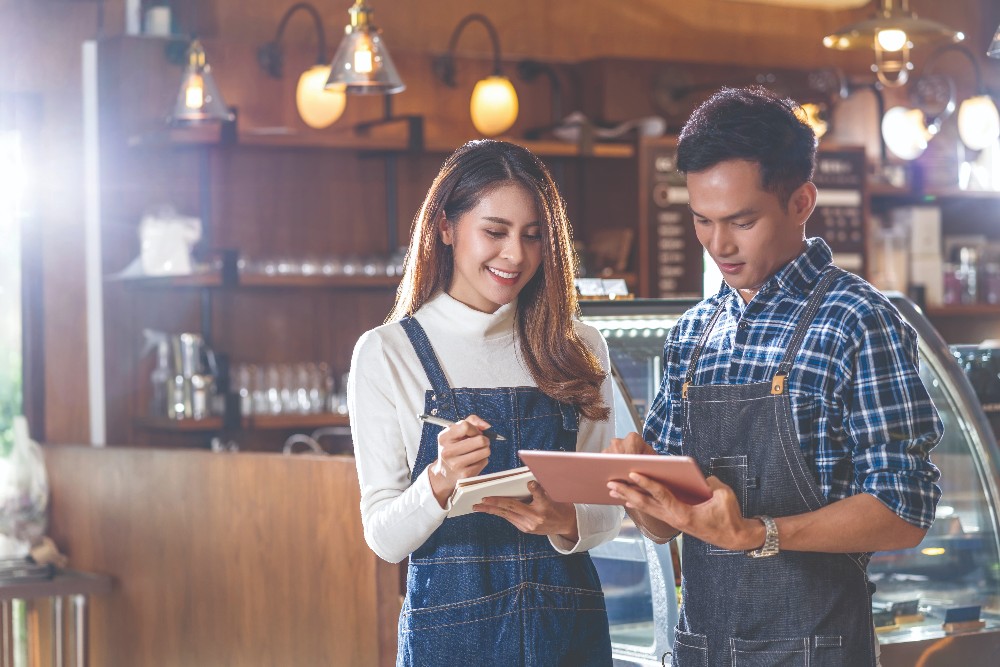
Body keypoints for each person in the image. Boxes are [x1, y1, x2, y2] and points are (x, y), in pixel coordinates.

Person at [606, 87, 943, 667]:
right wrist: (638, 490)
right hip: (702, 649)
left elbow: (904, 510)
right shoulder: (693, 333)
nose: (719, 245)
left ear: (802, 201)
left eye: (742, 221)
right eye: (702, 222)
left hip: (819, 651)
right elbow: (664, 530)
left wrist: (759, 532)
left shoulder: (857, 321)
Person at [348, 139, 621, 666]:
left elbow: (606, 512)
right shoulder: (388, 353)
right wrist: (440, 481)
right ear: (446, 228)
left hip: (569, 630)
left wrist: (564, 518)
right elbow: (384, 538)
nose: (515, 255)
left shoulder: (579, 346)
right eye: (494, 232)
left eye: (533, 236)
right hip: (450, 638)